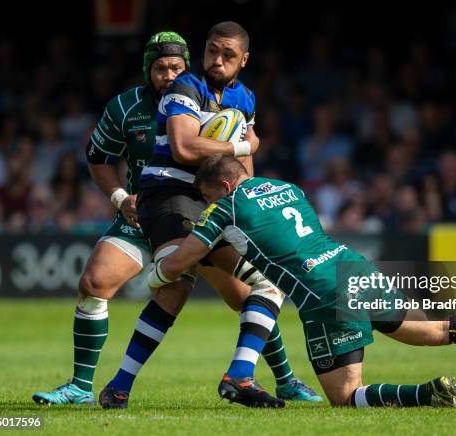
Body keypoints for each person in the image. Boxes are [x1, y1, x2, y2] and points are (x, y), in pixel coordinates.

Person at [148, 154, 456, 408]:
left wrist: (156, 274)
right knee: (430, 330)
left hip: (320, 292)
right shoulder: (287, 187)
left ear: (222, 186)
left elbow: (184, 257)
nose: (206, 204)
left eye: (206, 196)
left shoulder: (225, 209)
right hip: (351, 265)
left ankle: (429, 394)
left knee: (343, 395)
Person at [98, 22, 320, 408]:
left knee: (265, 287)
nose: (217, 60)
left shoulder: (245, 98)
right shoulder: (185, 86)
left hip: (213, 202)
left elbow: (244, 162)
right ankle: (118, 386)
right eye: (212, 51)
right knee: (177, 284)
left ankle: (240, 376)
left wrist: (246, 201)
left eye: (228, 55)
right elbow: (183, 147)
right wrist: (239, 144)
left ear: (244, 60)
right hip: (167, 192)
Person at [31, 31, 192, 405]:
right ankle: (81, 388)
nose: (169, 76)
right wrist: (120, 198)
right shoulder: (124, 107)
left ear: (187, 69)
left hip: (193, 222)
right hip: (142, 218)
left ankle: (282, 380)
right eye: (161, 68)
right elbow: (98, 158)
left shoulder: (204, 105)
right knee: (93, 283)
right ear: (147, 70)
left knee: (242, 295)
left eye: (176, 68)